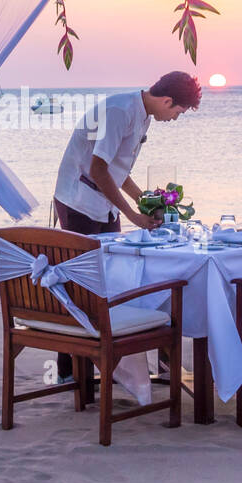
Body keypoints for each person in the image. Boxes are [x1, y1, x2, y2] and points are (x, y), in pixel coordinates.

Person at [50, 70, 202, 380]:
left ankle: (109, 361)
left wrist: (146, 200)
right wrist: (133, 216)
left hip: (103, 202)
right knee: (81, 282)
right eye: (177, 111)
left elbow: (119, 170)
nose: (176, 118)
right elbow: (99, 169)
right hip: (78, 199)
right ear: (166, 100)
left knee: (113, 278)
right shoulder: (120, 112)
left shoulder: (144, 114)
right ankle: (68, 369)